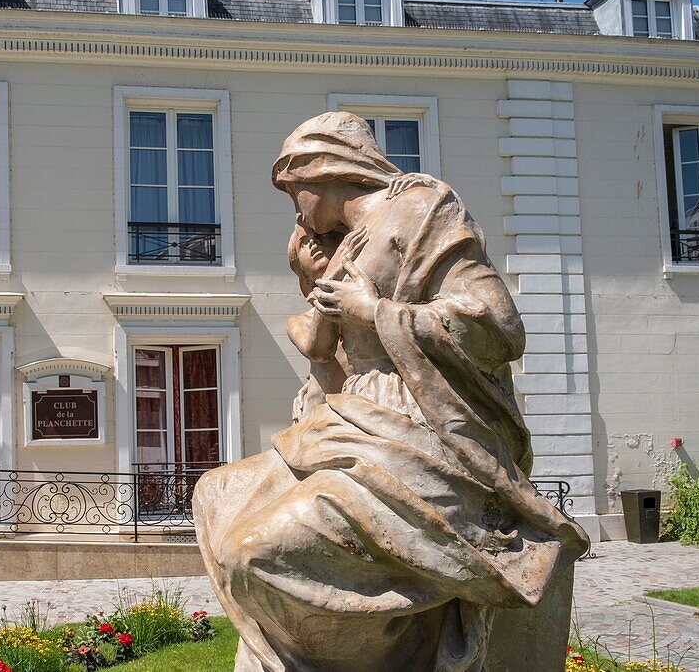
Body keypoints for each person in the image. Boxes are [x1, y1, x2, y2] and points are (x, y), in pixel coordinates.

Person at [193, 112, 589, 672]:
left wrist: (373, 311)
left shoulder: (421, 207)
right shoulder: (343, 246)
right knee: (216, 494)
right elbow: (330, 372)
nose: (297, 213)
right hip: (347, 423)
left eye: (294, 194)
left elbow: (499, 327)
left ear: (324, 170)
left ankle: (390, 655)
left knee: (253, 550)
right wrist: (324, 343)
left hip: (419, 428)